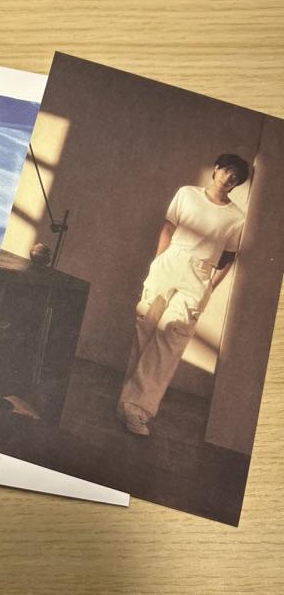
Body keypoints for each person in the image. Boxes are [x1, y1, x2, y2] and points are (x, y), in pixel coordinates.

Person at [117, 153, 249, 437]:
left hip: (199, 274)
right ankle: (127, 404)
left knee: (170, 339)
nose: (229, 178)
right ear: (216, 169)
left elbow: (228, 258)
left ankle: (138, 410)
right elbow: (168, 228)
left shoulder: (237, 217)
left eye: (236, 177)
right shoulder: (187, 194)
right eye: (227, 170)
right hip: (170, 261)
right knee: (145, 330)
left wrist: (210, 287)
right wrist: (158, 262)